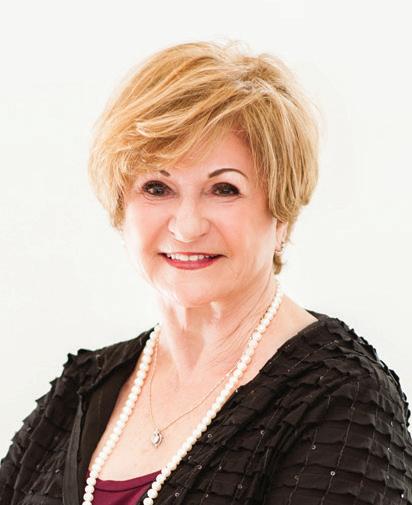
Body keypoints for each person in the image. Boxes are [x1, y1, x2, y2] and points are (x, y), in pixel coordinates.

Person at [1, 40, 411, 505]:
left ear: (280, 214)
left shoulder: (341, 398)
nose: (187, 226)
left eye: (224, 189)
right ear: (121, 207)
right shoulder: (82, 387)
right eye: (157, 187)